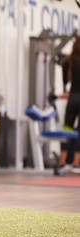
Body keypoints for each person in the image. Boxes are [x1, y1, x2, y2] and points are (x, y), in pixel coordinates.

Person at [55, 36, 80, 175]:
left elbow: (66, 85)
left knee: (67, 128)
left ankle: (62, 162)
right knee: (79, 132)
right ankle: (76, 163)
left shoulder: (69, 61)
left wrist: (62, 93)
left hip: (72, 97)